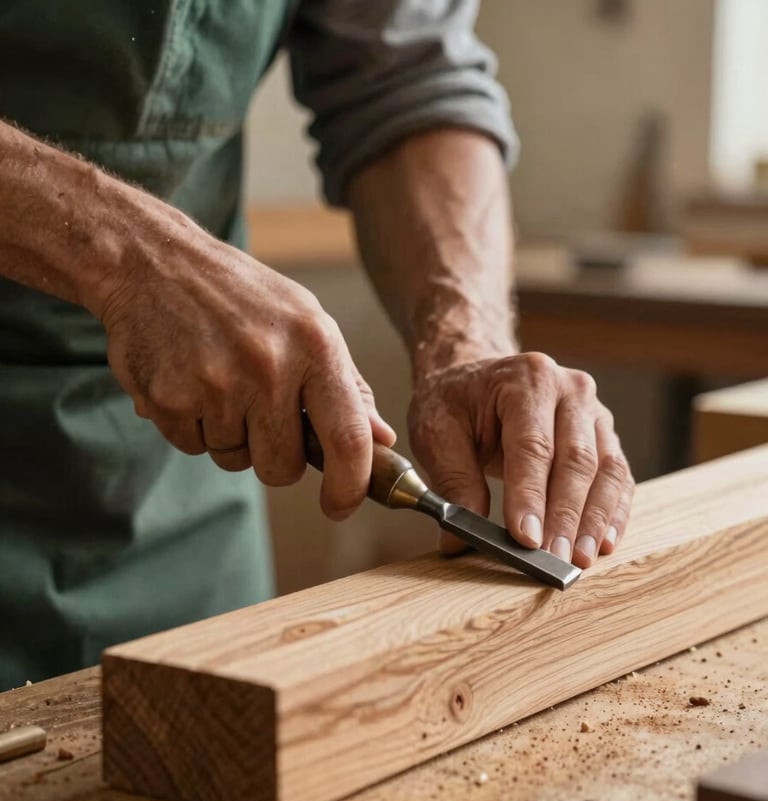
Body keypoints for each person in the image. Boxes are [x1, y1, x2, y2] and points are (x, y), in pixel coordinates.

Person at [0, 1, 634, 691]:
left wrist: (466, 342)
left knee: (213, 749)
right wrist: (123, 257)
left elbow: (405, 79)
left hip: (182, 479)